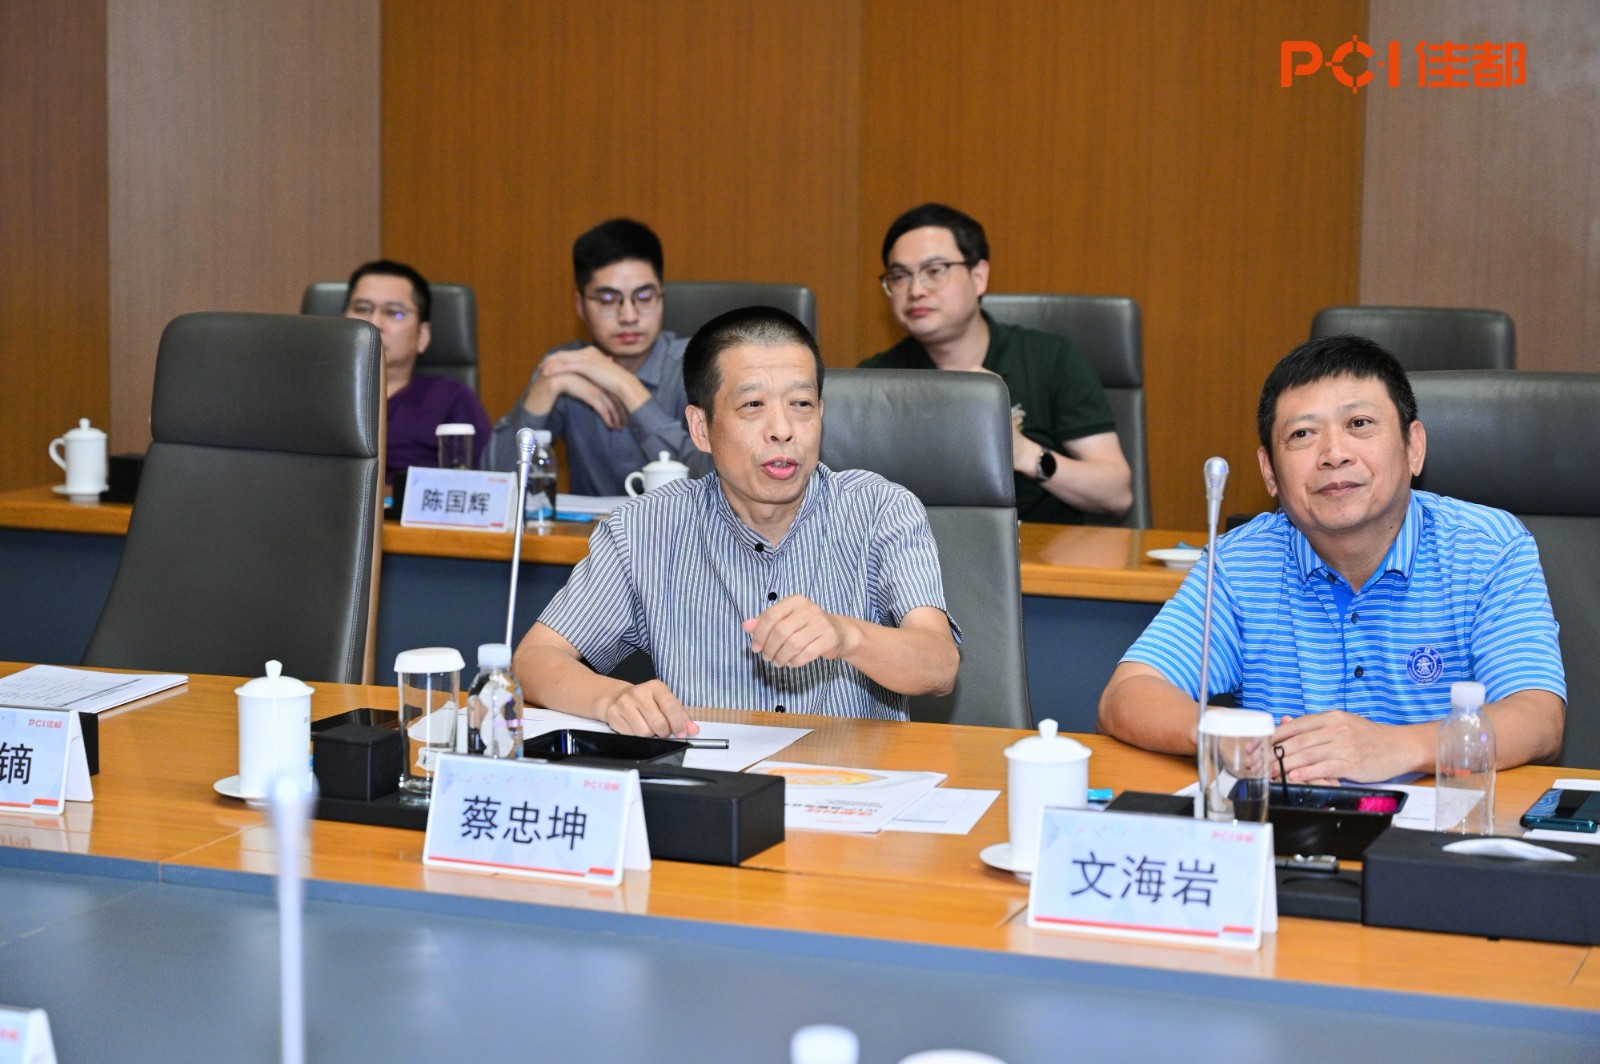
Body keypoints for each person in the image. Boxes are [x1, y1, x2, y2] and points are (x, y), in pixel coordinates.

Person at [1098, 335, 1565, 782]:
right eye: (1302, 433)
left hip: (1441, 822)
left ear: (1413, 447)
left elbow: (1539, 717)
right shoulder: (1241, 562)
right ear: (1270, 472)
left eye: (1359, 424)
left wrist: (1399, 747)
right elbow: (1127, 694)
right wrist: (1224, 737)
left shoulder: (1486, 548)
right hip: (1292, 821)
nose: (1334, 454)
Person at [514, 306, 961, 737]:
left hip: (852, 778)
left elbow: (940, 665)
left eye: (801, 403)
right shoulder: (644, 529)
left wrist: (848, 636)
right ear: (700, 428)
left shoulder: (879, 509)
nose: (782, 429)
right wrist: (611, 699)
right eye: (753, 405)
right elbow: (535, 659)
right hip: (710, 776)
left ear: (821, 414)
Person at [859, 203, 1132, 524]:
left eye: (934, 271)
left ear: (978, 277)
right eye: (900, 276)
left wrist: (1024, 453)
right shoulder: (874, 382)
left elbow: (1117, 493)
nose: (916, 290)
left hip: (1043, 549)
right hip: (921, 550)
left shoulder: (1051, 359)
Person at [485, 219, 711, 494]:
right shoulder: (566, 365)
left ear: (661, 296)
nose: (629, 316)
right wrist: (547, 387)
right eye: (607, 299)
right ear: (580, 305)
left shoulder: (700, 363)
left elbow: (715, 478)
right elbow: (494, 486)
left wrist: (626, 386)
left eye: (644, 296)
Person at [342, 259, 489, 484]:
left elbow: (480, 482)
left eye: (395, 313)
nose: (374, 323)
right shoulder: (312, 394)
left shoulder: (450, 399)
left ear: (423, 336)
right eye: (362, 309)